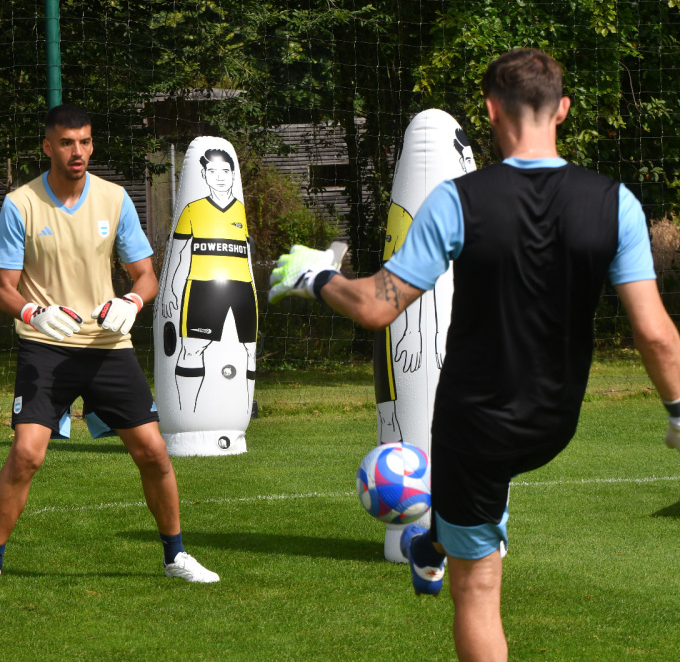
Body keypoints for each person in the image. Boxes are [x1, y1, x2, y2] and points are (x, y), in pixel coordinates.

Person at [269, 48, 680, 661]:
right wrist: (678, 412)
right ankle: (433, 544)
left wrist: (317, 276)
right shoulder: (616, 202)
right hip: (555, 422)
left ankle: (439, 543)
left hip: (476, 428)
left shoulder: (456, 200)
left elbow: (377, 307)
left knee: (479, 590)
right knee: (475, 503)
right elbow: (655, 333)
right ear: (563, 110)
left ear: (490, 110)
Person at [0, 104, 219, 598]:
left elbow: (146, 276)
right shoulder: (20, 204)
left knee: (154, 452)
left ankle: (176, 556)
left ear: (92, 144)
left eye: (84, 141)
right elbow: (4, 290)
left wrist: (132, 301)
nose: (76, 151)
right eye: (66, 143)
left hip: (107, 346)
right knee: (26, 454)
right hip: (46, 346)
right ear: (48, 147)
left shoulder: (114, 199)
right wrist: (33, 313)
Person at [161, 148, 257, 413]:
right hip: (201, 287)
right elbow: (178, 252)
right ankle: (186, 414)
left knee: (249, 351)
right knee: (192, 348)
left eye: (225, 171)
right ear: (203, 175)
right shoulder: (192, 209)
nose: (220, 177)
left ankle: (242, 412)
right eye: (213, 171)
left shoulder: (240, 210)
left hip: (243, 289)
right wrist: (170, 291)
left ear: (233, 175)